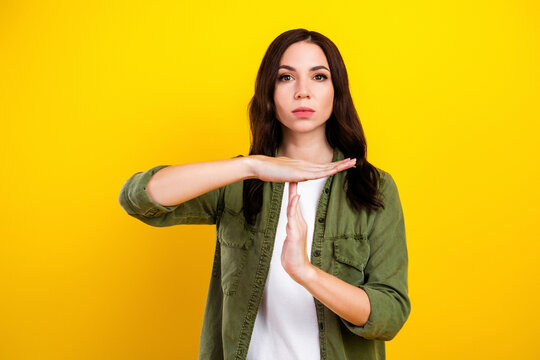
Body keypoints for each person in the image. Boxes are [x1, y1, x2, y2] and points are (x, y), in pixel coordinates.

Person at [118, 28, 410, 360]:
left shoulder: (373, 187)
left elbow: (389, 314)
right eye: (286, 77)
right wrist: (250, 167)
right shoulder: (240, 182)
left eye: (318, 76)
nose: (302, 92)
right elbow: (139, 198)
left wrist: (305, 272)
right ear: (268, 93)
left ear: (336, 91)